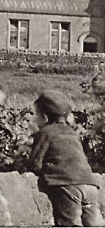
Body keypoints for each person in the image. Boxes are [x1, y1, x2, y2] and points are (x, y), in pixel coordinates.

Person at [28, 89, 103, 227]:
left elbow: (35, 162)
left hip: (68, 184)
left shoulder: (45, 133)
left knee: (69, 223)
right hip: (90, 184)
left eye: (36, 115)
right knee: (93, 224)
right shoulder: (72, 133)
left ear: (44, 117)